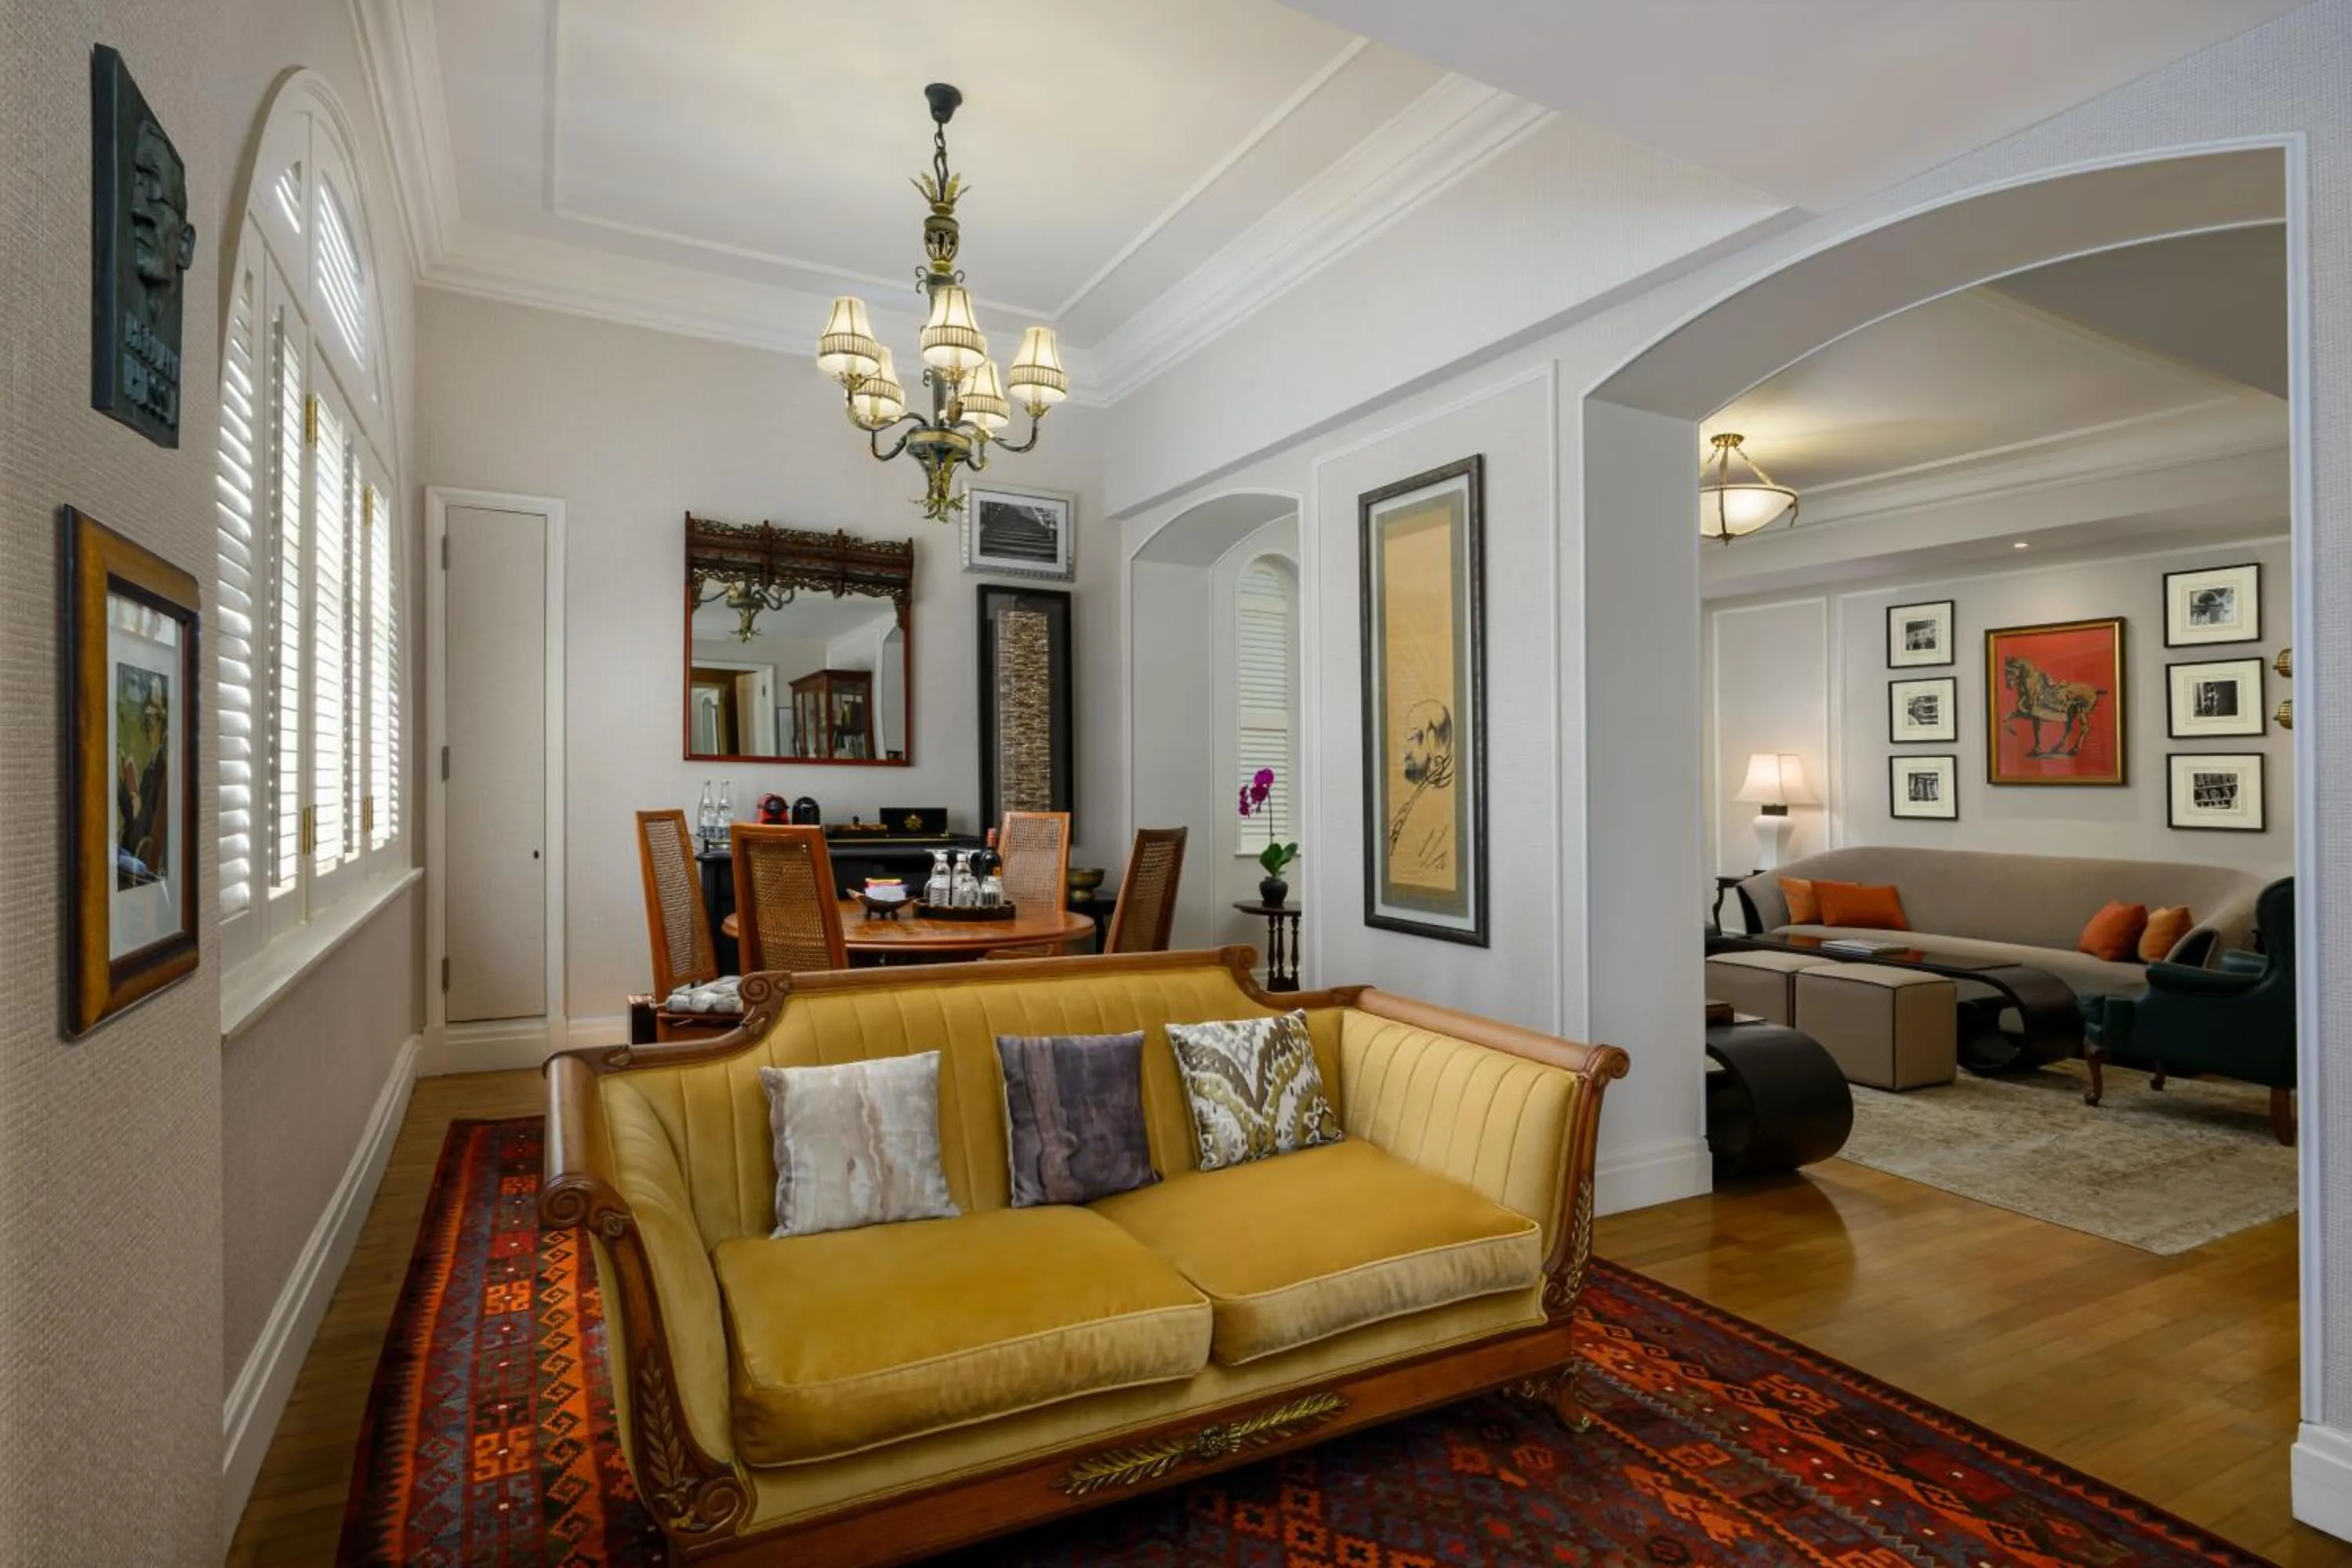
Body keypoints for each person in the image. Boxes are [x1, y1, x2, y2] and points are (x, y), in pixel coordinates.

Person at [1386, 699, 1456, 878]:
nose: (1405, 749)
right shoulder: (1423, 795)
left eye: (1412, 738)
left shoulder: (1438, 808)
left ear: (1432, 742)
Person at [117, 684, 169, 886]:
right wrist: (129, 792)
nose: (148, 727)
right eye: (147, 719)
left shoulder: (163, 767)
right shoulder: (152, 767)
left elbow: (149, 827)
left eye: (153, 719)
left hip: (141, 866)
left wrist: (136, 805)